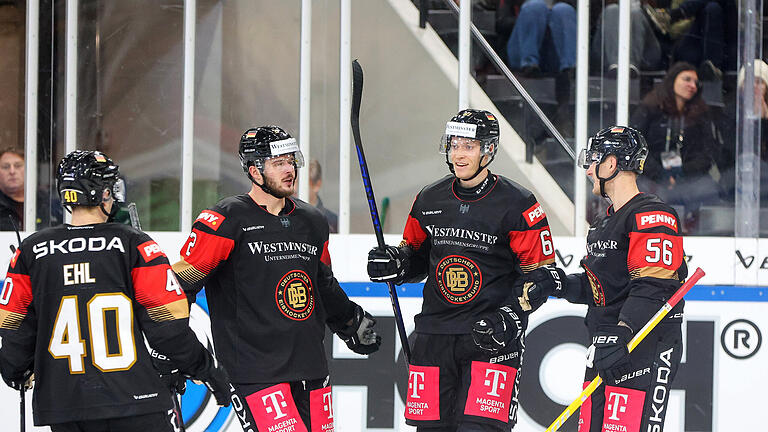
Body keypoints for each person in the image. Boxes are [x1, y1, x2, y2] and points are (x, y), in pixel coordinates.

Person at [0, 150, 230, 432]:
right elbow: (167, 327)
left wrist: (14, 369)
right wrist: (205, 368)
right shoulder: (133, 244)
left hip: (63, 405)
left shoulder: (31, 250)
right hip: (133, 398)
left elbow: (14, 323)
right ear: (103, 193)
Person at [172, 125, 381, 432]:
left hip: (311, 368)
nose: (290, 169)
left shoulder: (312, 221)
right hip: (255, 371)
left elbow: (321, 283)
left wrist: (349, 322)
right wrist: (171, 346)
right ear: (255, 170)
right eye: (278, 163)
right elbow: (180, 286)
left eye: (291, 160)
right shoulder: (225, 220)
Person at [367, 109, 556, 431]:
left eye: (468, 146)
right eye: (454, 145)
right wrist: (396, 264)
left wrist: (507, 316)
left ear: (489, 150)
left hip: (491, 340)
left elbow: (541, 277)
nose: (458, 154)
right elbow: (415, 259)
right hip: (433, 338)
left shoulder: (519, 203)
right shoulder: (429, 198)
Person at [513, 126, 687, 432]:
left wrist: (624, 331)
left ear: (612, 164)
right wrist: (559, 284)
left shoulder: (652, 215)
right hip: (608, 343)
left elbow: (653, 286)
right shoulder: (604, 222)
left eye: (595, 160)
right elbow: (603, 289)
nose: (589, 169)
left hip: (643, 345)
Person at [630, 61, 720, 227]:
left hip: (690, 177)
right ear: (672, 81)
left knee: (707, 189)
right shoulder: (649, 107)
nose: (692, 85)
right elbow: (635, 145)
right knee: (641, 190)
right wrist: (659, 173)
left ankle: (693, 229)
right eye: (687, 79)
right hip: (652, 175)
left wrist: (682, 172)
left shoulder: (702, 113)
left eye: (695, 82)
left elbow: (708, 151)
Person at [505, 0, 576, 77]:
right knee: (535, 6)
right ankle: (529, 64)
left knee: (564, 9)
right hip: (521, 49)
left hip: (555, 53)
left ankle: (570, 67)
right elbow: (501, 22)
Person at [0, 146, 62, 231]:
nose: (12, 171)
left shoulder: (48, 203)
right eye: (5, 167)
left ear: (29, 169)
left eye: (18, 166)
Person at [308, 159, 338, 233]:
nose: (294, 188)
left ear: (317, 185)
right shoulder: (283, 217)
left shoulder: (332, 222)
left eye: (300, 182)